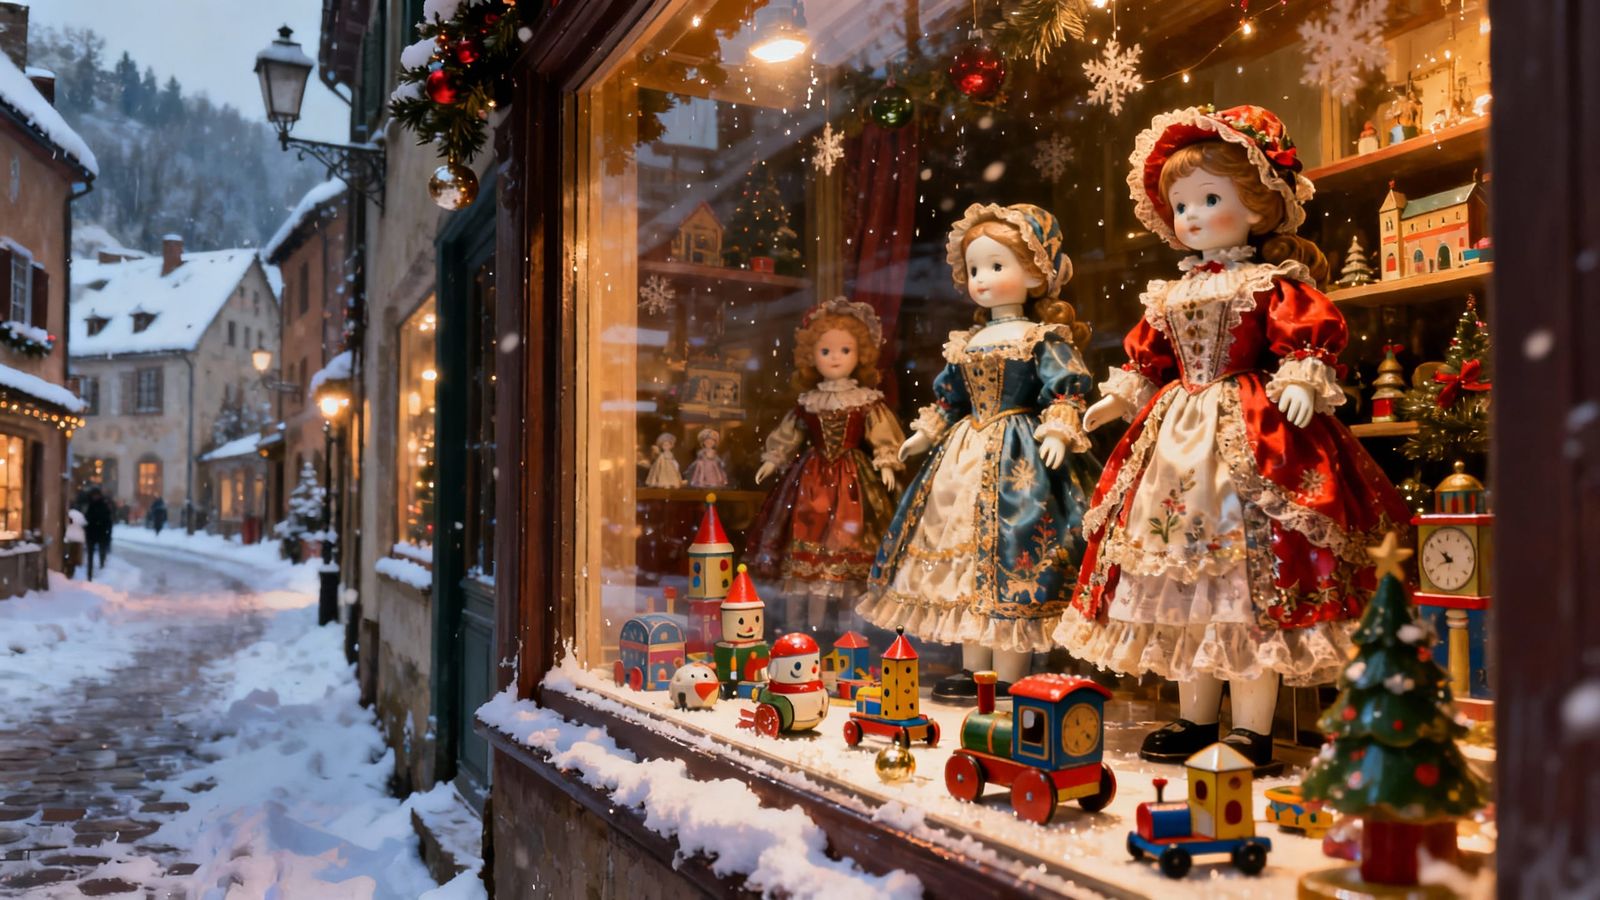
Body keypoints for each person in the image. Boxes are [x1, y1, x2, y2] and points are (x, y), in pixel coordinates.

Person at [1054, 105, 1410, 771]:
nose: (1190, 217)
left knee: (1245, 588)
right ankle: (1194, 721)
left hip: (1249, 431)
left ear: (1259, 205)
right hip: (1173, 439)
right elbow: (1144, 363)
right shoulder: (1170, 294)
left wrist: (1303, 377)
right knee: (1183, 589)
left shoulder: (1272, 284)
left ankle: (1250, 729)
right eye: (1181, 205)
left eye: (1209, 199)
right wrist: (1109, 403)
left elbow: (1306, 336)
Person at [857, 203, 1101, 700]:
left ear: (1036, 275)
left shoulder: (1041, 337)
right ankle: (975, 668)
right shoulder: (968, 341)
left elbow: (1065, 390)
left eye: (996, 266)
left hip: (1020, 455)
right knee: (966, 561)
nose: (983, 279)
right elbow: (951, 396)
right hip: (963, 455)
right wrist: (926, 432)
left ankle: (1011, 671)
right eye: (974, 269)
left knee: (1013, 552)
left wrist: (1057, 429)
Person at [83, 486, 115, 577]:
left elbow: (108, 520)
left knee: (102, 552)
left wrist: (108, 533)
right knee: (90, 555)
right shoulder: (89, 505)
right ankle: (89, 574)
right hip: (91, 533)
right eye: (94, 495)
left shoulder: (104, 505)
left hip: (102, 533)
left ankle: (102, 567)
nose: (95, 497)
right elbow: (86, 518)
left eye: (97, 495)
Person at [63, 507, 86, 578]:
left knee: (71, 559)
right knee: (71, 559)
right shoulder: (78, 522)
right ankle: (69, 573)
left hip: (74, 542)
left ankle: (70, 573)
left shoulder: (75, 519)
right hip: (73, 541)